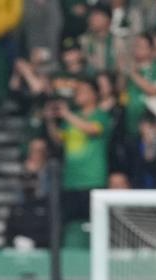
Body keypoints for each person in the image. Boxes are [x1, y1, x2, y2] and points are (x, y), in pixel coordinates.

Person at [45, 78, 113, 223]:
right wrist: (50, 120)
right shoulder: (73, 116)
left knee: (94, 222)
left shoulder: (101, 114)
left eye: (83, 91)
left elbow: (92, 129)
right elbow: (58, 139)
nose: (78, 94)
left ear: (94, 94)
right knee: (71, 223)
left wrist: (67, 114)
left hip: (93, 179)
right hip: (71, 179)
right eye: (77, 91)